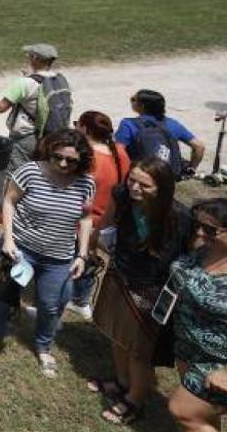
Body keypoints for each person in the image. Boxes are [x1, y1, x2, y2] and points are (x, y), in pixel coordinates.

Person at [87, 157, 191, 425]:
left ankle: (135, 399)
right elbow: (105, 223)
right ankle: (122, 383)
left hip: (152, 289)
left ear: (163, 188)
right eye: (131, 180)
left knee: (140, 352)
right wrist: (93, 244)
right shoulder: (122, 195)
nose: (134, 188)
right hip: (120, 273)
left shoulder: (180, 218)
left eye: (144, 185)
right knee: (117, 334)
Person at [0, 129, 95, 377]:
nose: (63, 164)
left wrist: (82, 254)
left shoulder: (86, 183)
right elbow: (9, 201)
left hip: (59, 257)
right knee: (6, 296)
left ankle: (43, 346)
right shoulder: (30, 172)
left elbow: (86, 219)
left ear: (82, 160)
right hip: (22, 252)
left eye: (71, 160)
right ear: (50, 151)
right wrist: (9, 239)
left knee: (50, 304)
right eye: (58, 157)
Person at [166, 198, 227, 432]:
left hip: (218, 362)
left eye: (211, 229)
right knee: (203, 415)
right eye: (197, 225)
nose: (201, 232)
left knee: (182, 410)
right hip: (189, 349)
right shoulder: (204, 248)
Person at [67, 110, 132, 317]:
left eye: (77, 124)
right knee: (89, 257)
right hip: (107, 219)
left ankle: (66, 298)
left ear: (85, 129)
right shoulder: (120, 152)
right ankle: (82, 300)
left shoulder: (87, 157)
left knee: (73, 258)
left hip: (84, 219)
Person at [0, 44, 68, 174]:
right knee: (39, 175)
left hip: (25, 139)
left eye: (30, 55)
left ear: (35, 59)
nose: (27, 57)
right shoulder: (60, 80)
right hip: (48, 137)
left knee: (16, 177)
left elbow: (1, 107)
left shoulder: (24, 83)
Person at [116, 89, 206, 179]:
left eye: (133, 99)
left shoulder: (128, 124)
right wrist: (191, 169)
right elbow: (199, 146)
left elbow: (119, 152)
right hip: (168, 176)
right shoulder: (172, 124)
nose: (131, 100)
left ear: (142, 106)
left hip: (141, 175)